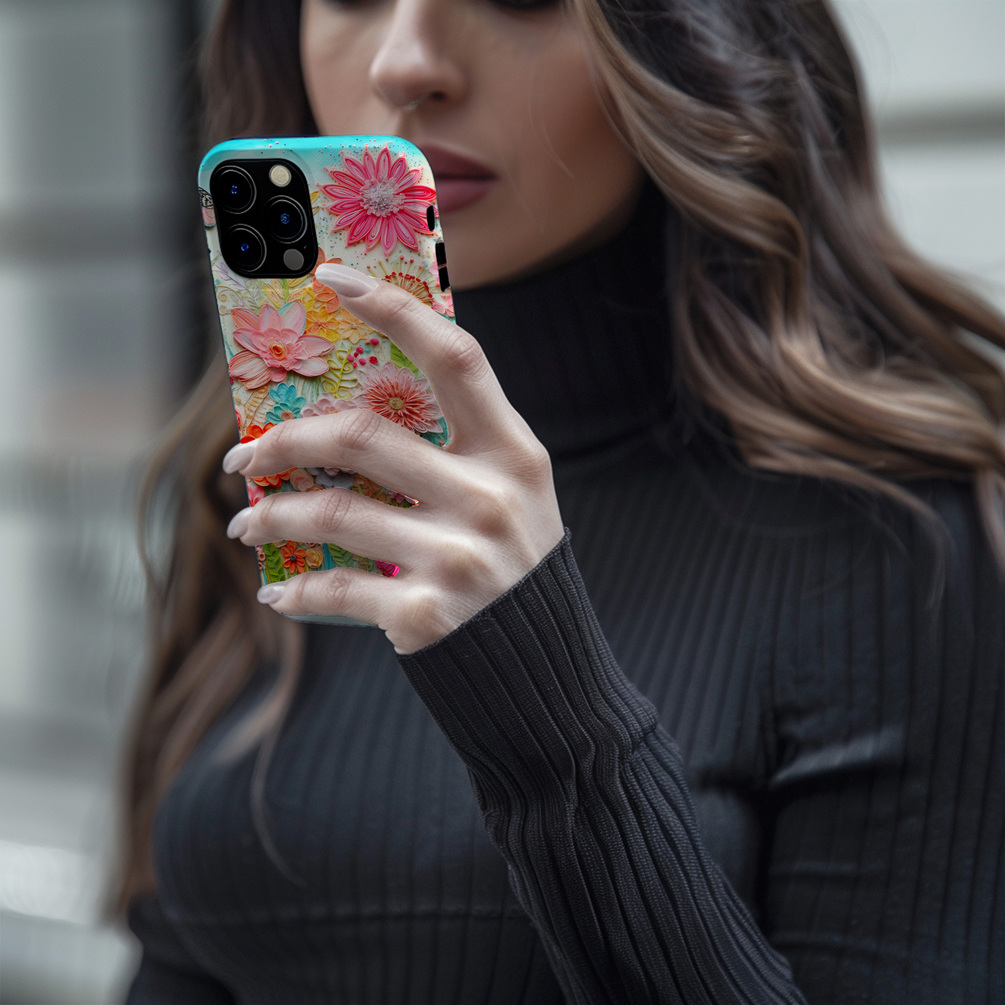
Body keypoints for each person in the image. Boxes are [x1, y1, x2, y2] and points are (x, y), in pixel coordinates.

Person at [119, 0, 1005, 1001]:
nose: (406, 65)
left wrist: (549, 716)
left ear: (685, 38)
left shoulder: (907, 538)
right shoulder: (270, 488)